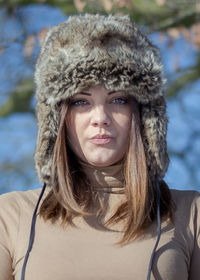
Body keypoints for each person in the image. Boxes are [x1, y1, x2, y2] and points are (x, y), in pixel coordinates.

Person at [0, 13, 199, 280]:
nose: (100, 118)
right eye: (81, 102)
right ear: (57, 118)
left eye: (118, 100)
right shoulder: (11, 215)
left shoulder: (190, 213)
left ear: (143, 114)